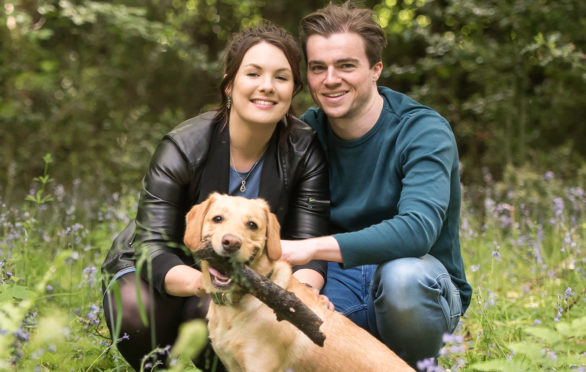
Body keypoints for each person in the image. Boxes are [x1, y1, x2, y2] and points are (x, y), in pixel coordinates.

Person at [100, 23, 330, 371]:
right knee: (135, 310)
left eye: (281, 77)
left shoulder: (305, 149)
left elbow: (307, 248)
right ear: (230, 84)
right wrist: (202, 282)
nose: (266, 86)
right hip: (157, 264)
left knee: (219, 313)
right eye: (253, 73)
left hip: (242, 275)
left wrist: (301, 298)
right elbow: (151, 247)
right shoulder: (183, 145)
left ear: (293, 91)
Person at [280, 2, 473, 368]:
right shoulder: (306, 132)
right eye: (318, 68)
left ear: (375, 69)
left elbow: (418, 230)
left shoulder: (422, 131)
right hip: (339, 287)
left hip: (418, 290)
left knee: (404, 278)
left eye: (346, 65)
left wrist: (308, 249)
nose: (330, 79)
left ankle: (418, 365)